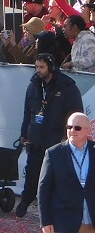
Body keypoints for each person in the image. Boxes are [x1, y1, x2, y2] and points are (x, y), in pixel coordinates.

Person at [20, 54, 85, 217]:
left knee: (57, 176)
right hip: (36, 137)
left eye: (41, 67)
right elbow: (28, 112)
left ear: (51, 67)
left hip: (57, 139)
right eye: (36, 67)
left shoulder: (67, 87)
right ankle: (26, 200)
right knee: (32, 171)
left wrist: (69, 137)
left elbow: (76, 114)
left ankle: (57, 209)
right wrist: (24, 134)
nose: (38, 71)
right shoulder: (33, 85)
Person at [38, 111, 95, 233]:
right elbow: (43, 190)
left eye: (77, 128)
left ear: (88, 130)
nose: (72, 131)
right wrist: (46, 221)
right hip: (65, 221)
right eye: (69, 127)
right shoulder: (54, 153)